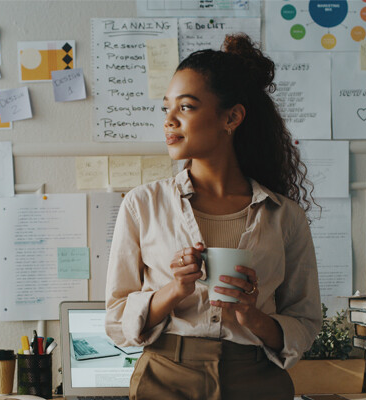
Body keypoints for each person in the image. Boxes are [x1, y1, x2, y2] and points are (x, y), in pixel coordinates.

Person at [105, 33, 322, 400]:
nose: (169, 121)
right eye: (166, 108)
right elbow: (117, 319)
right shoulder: (142, 204)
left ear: (232, 117)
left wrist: (252, 316)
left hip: (258, 380)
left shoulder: (285, 216)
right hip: (164, 378)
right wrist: (176, 290)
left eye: (186, 107)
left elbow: (304, 323)